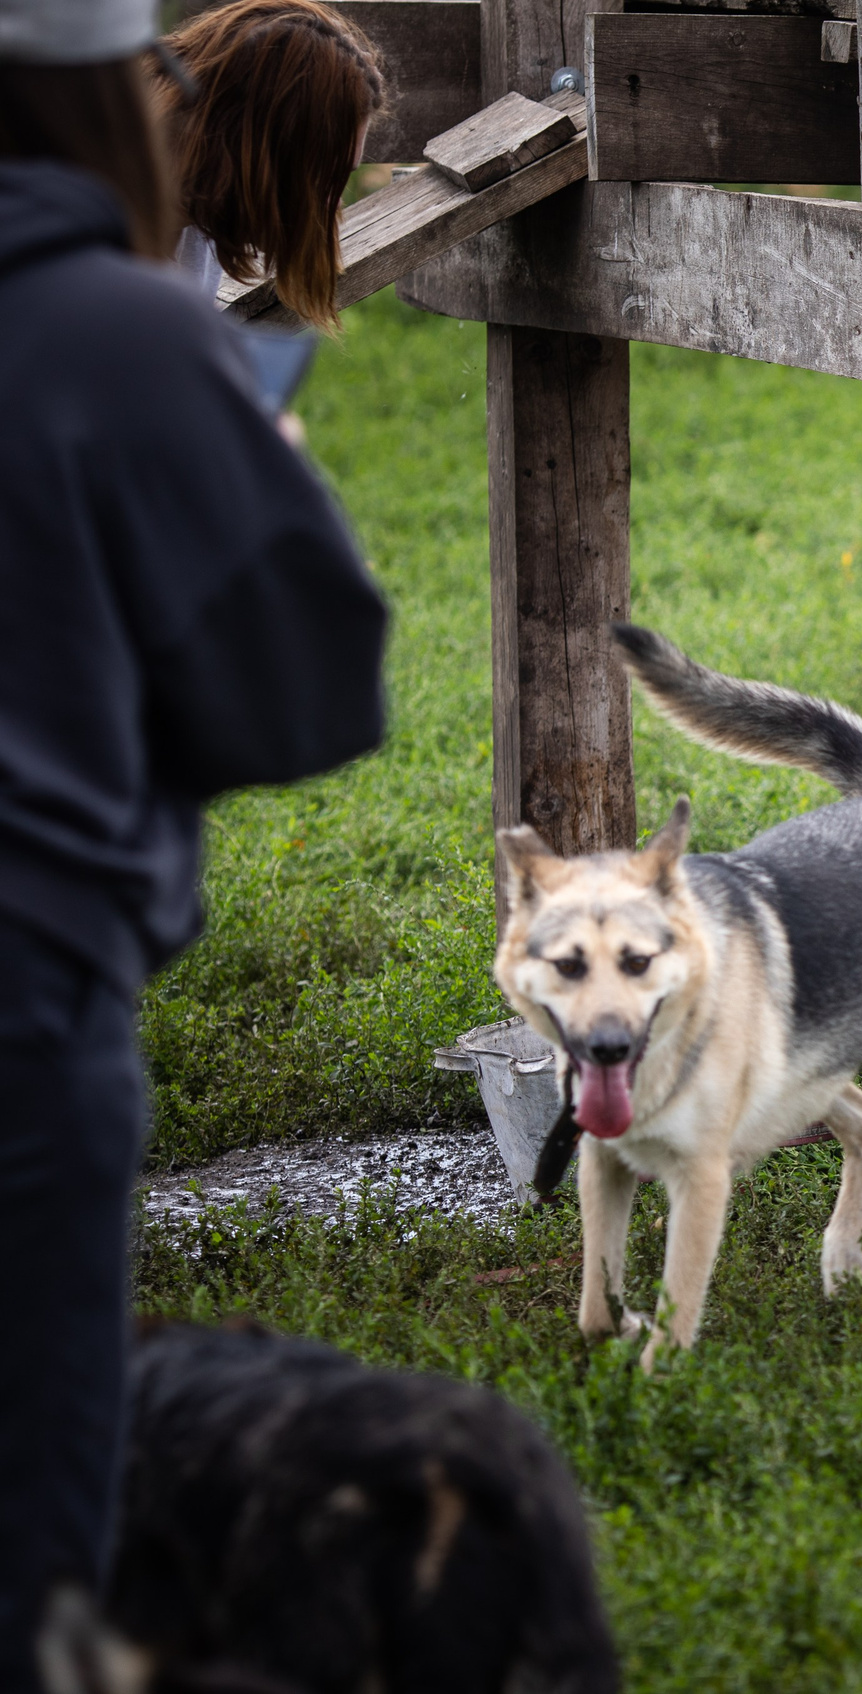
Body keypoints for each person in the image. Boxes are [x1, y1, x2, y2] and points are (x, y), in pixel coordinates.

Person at [0, 1, 390, 1687]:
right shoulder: (119, 330)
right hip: (30, 986)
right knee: (33, 1521)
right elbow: (303, 686)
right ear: (114, 96)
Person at [155, 0, 386, 329]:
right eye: (324, 176)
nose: (333, 204)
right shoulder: (98, 232)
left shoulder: (201, 203)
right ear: (268, 147)